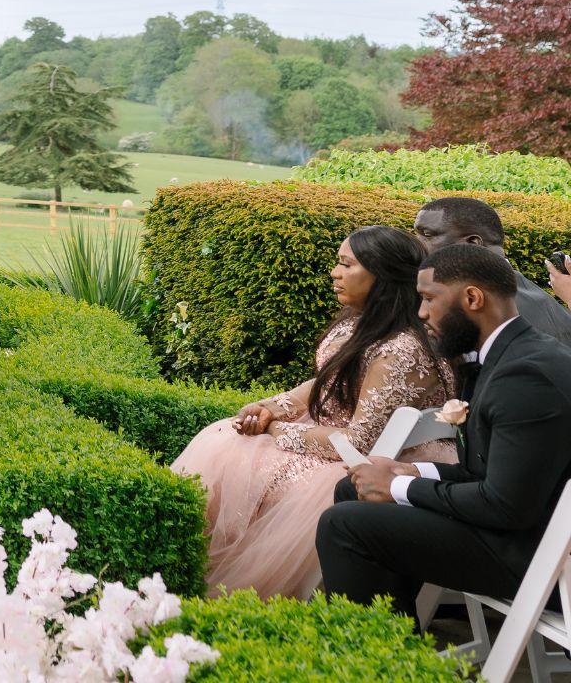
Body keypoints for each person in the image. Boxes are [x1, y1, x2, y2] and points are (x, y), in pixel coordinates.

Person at [170, 226, 454, 598]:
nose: (334, 273)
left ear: (382, 275)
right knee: (223, 439)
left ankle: (210, 581)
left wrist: (274, 431)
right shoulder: (366, 324)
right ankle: (182, 566)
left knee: (236, 460)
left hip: (366, 463)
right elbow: (327, 381)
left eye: (345, 264)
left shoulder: (402, 349)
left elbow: (354, 443)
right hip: (339, 441)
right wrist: (272, 407)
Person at [318, 243, 571, 618]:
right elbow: (490, 471)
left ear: (472, 298)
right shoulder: (505, 354)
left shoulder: (527, 374)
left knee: (345, 525)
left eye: (428, 299)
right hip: (522, 527)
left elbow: (505, 506)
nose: (420, 313)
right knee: (352, 490)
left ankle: (381, 662)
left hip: (542, 557)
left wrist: (397, 487)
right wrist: (412, 471)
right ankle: (395, 649)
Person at [413, 196, 571, 344]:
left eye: (427, 235)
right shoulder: (525, 294)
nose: (415, 243)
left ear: (473, 244)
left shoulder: (498, 310)